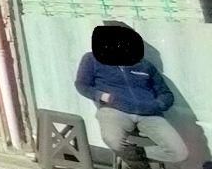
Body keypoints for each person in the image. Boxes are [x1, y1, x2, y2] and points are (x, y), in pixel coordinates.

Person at [75, 21, 187, 169]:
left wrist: (156, 105)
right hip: (115, 110)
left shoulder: (145, 65)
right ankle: (139, 165)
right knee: (113, 140)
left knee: (179, 152)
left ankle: (129, 159)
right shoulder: (92, 59)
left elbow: (166, 94)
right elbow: (81, 85)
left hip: (149, 114)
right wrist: (102, 96)